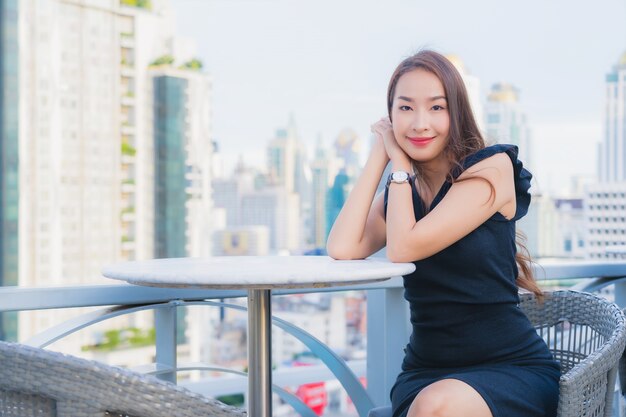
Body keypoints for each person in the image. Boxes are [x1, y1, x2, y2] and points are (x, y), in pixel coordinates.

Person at [326, 50, 560, 417]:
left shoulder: (491, 170)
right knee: (434, 403)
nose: (420, 123)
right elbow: (342, 247)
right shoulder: (405, 195)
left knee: (438, 406)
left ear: (457, 112)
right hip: (426, 375)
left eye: (436, 107)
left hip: (509, 368)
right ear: (390, 116)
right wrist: (379, 156)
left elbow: (403, 247)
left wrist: (399, 165)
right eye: (405, 108)